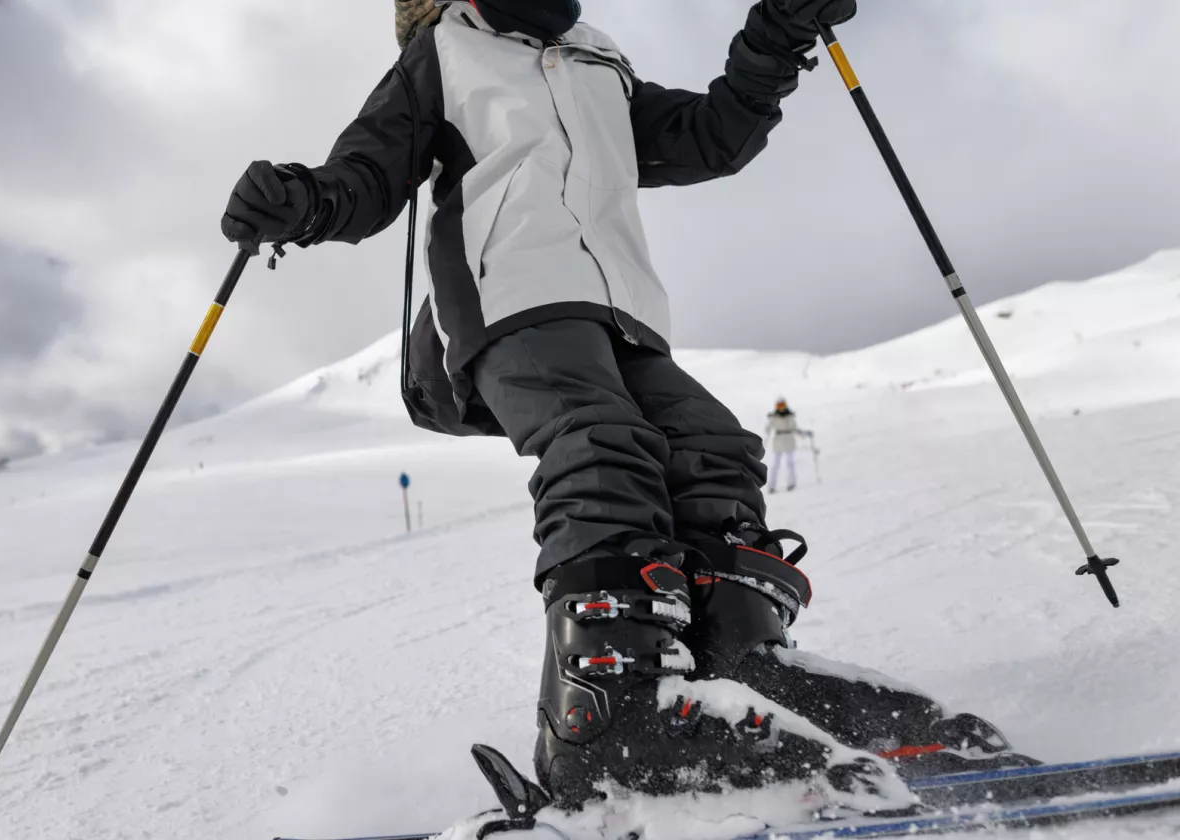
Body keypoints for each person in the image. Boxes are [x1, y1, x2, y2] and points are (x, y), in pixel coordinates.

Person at [222, 0, 1034, 808]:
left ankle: (736, 674)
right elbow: (366, 180)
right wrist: (297, 200)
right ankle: (606, 726)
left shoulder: (595, 59)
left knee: (712, 449)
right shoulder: (445, 54)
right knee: (599, 446)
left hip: (622, 316)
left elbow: (711, 136)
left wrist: (778, 32)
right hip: (510, 300)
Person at [765, 397, 810, 493]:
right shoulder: (774, 417)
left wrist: (805, 434)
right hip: (778, 441)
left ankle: (791, 483)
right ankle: (771, 486)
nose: (780, 408)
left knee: (790, 463)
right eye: (779, 406)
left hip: (789, 440)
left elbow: (795, 428)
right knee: (775, 464)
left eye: (782, 406)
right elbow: (767, 429)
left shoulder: (790, 417)